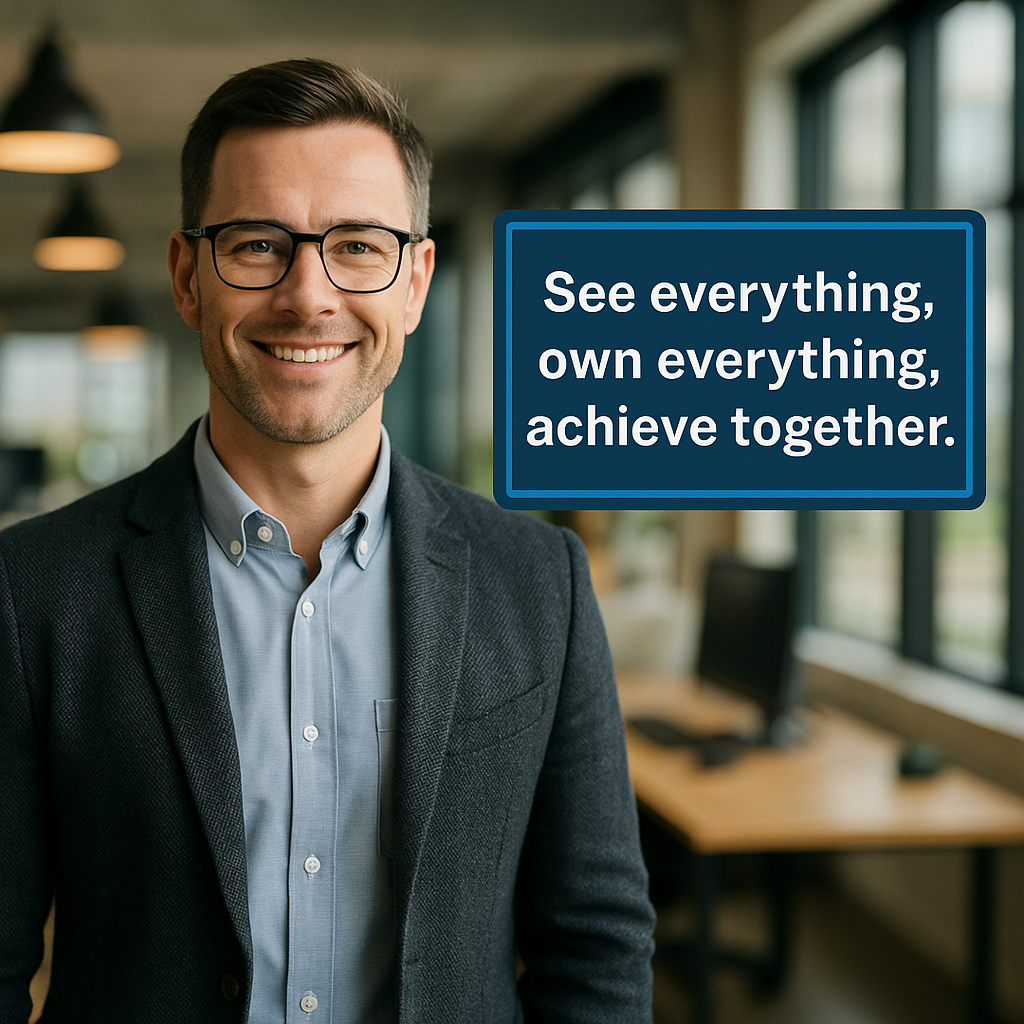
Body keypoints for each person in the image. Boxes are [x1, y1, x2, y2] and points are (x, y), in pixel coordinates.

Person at [0, 59, 655, 1023]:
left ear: (416, 282)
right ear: (188, 278)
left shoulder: (539, 581)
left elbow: (596, 943)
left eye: (356, 245)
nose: (309, 296)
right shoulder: (35, 589)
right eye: (258, 243)